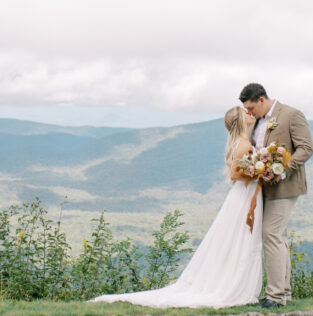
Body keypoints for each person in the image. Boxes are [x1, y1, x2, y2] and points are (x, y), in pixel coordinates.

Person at [91, 106, 265, 308]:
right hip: (244, 196)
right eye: (245, 112)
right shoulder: (243, 145)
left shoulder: (243, 143)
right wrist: (260, 171)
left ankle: (236, 282)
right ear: (240, 121)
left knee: (239, 239)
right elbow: (236, 174)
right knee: (241, 240)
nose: (250, 113)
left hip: (245, 196)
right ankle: (234, 285)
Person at [239, 82, 313, 309]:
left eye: (251, 108)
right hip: (263, 187)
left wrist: (283, 167)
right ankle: (284, 293)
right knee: (277, 236)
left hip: (286, 186)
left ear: (261, 100)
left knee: (270, 233)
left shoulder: (291, 114)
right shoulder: (257, 121)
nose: (249, 113)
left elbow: (306, 148)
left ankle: (274, 295)